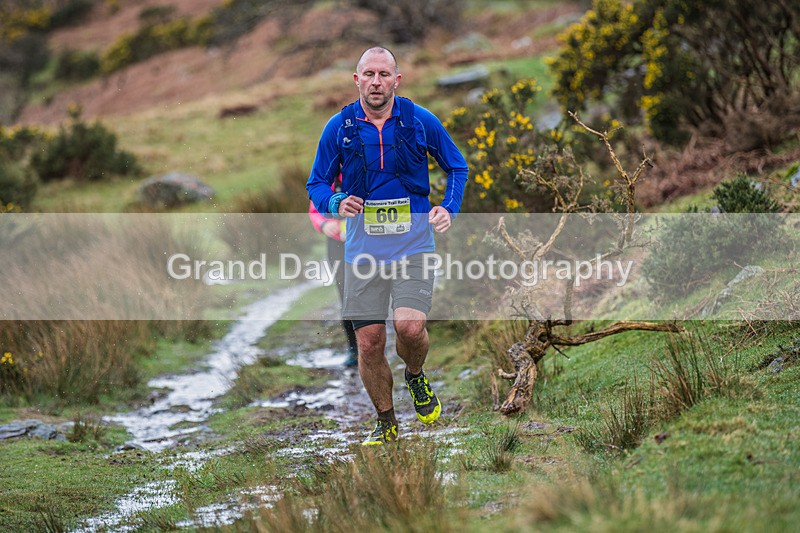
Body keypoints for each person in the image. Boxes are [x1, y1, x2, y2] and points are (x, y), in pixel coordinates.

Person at [307, 46, 468, 445]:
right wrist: (334, 202)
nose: (376, 81)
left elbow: (457, 165)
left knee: (410, 328)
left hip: (413, 247)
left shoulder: (419, 120)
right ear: (356, 80)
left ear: (397, 80)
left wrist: (449, 207)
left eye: (384, 74)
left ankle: (415, 377)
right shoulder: (339, 128)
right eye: (369, 74)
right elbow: (316, 183)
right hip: (362, 253)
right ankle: (386, 421)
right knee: (369, 342)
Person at [308, 174, 359, 367]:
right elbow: (314, 208)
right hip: (338, 245)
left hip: (368, 244)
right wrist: (323, 223)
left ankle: (375, 344)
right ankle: (354, 349)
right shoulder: (328, 177)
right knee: (346, 295)